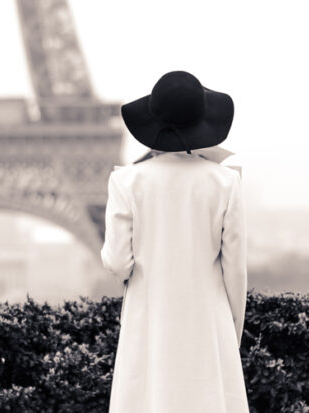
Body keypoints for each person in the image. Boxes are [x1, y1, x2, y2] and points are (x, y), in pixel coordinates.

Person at [100, 70, 249, 413]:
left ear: (153, 119)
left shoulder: (126, 181)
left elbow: (118, 262)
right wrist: (229, 333)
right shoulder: (226, 183)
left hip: (148, 323)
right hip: (208, 327)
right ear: (202, 120)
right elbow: (236, 273)